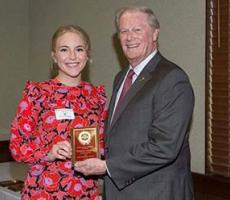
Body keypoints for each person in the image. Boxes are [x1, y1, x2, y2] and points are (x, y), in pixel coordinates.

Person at [75, 6, 195, 200]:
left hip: (155, 194)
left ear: (155, 33)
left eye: (137, 30)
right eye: (124, 31)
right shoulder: (121, 78)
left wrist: (108, 166)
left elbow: (165, 146)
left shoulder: (172, 79)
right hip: (119, 191)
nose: (129, 37)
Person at [9, 25, 107, 199]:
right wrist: (49, 153)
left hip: (85, 191)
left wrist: (99, 152)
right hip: (44, 192)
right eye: (64, 50)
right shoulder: (38, 94)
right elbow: (17, 146)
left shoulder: (96, 97)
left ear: (87, 55)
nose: (72, 56)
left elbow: (106, 142)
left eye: (79, 49)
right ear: (54, 56)